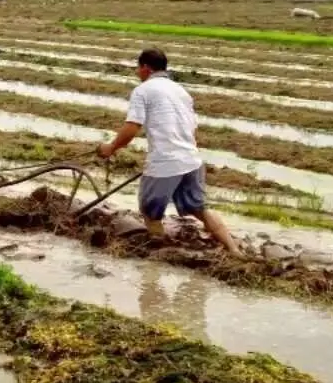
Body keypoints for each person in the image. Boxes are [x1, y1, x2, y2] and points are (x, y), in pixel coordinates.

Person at [98, 47, 240, 255]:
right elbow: (193, 128)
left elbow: (132, 127)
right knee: (200, 209)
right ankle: (234, 250)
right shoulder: (181, 91)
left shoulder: (143, 90)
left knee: (150, 212)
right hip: (191, 159)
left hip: (164, 162)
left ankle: (158, 255)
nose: (137, 73)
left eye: (138, 68)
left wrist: (110, 148)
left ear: (145, 67)